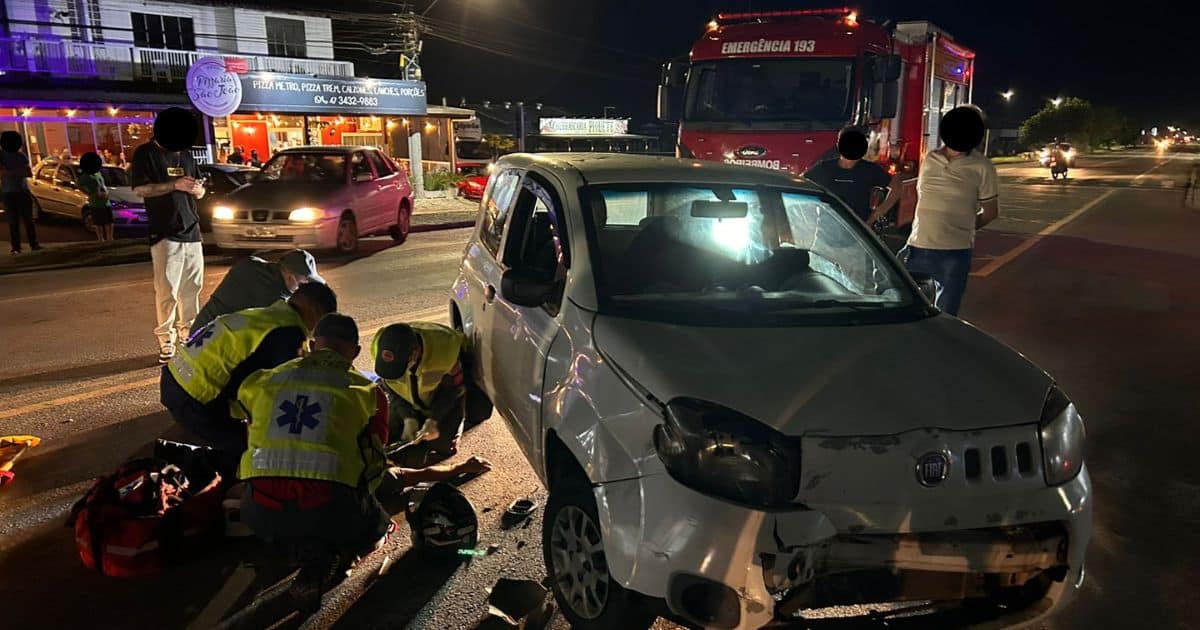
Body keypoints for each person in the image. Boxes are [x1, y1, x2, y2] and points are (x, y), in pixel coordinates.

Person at [237, 313, 491, 560]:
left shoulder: (261, 381)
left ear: (312, 345)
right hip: (327, 513)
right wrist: (457, 468)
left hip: (259, 515)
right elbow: (381, 471)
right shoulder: (365, 392)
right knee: (375, 519)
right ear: (357, 352)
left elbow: (248, 429)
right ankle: (347, 553)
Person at [160, 280, 339, 478]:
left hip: (174, 377)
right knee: (250, 447)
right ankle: (219, 489)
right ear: (315, 313)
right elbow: (283, 391)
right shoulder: (288, 333)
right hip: (193, 398)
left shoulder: (267, 316)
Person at [901, 106, 998, 316]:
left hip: (954, 253)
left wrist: (964, 229)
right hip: (916, 246)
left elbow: (990, 212)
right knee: (889, 292)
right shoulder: (930, 158)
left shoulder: (983, 167)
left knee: (945, 314)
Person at [131, 107, 207, 363]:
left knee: (192, 289)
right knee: (167, 292)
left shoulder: (186, 155)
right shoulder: (146, 154)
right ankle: (166, 340)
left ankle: (189, 336)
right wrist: (173, 185)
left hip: (192, 231)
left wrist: (197, 190)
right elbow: (141, 189)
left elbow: (199, 190)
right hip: (165, 232)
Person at [372, 322, 469, 468]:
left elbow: (454, 389)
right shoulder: (379, 345)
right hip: (406, 400)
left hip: (438, 399)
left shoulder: (445, 350)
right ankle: (412, 418)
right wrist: (407, 417)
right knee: (387, 435)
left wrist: (434, 419)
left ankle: (457, 426)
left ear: (415, 353)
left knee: (443, 447)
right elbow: (388, 387)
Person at [193, 249, 325, 331]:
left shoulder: (250, 263)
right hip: (212, 347)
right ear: (291, 277)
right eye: (303, 284)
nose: (304, 290)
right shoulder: (273, 302)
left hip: (198, 333)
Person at [803, 127, 902, 226]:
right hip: (827, 231)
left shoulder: (870, 170)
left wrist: (875, 216)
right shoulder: (824, 168)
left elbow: (897, 184)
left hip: (857, 232)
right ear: (838, 144)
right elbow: (799, 184)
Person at [0, 131, 39, 255]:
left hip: (22, 192)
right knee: (13, 222)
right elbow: (2, 174)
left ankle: (34, 244)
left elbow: (28, 173)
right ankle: (16, 247)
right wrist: (18, 171)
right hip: (9, 193)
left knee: (28, 220)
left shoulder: (21, 156)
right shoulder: (2, 157)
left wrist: (10, 171)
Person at [78, 152, 115, 241]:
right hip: (95, 203)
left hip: (106, 202)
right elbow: (79, 185)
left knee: (109, 221)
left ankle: (110, 238)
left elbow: (102, 184)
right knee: (99, 223)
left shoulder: (98, 173)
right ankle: (101, 239)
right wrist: (90, 193)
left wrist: (106, 191)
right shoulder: (85, 176)